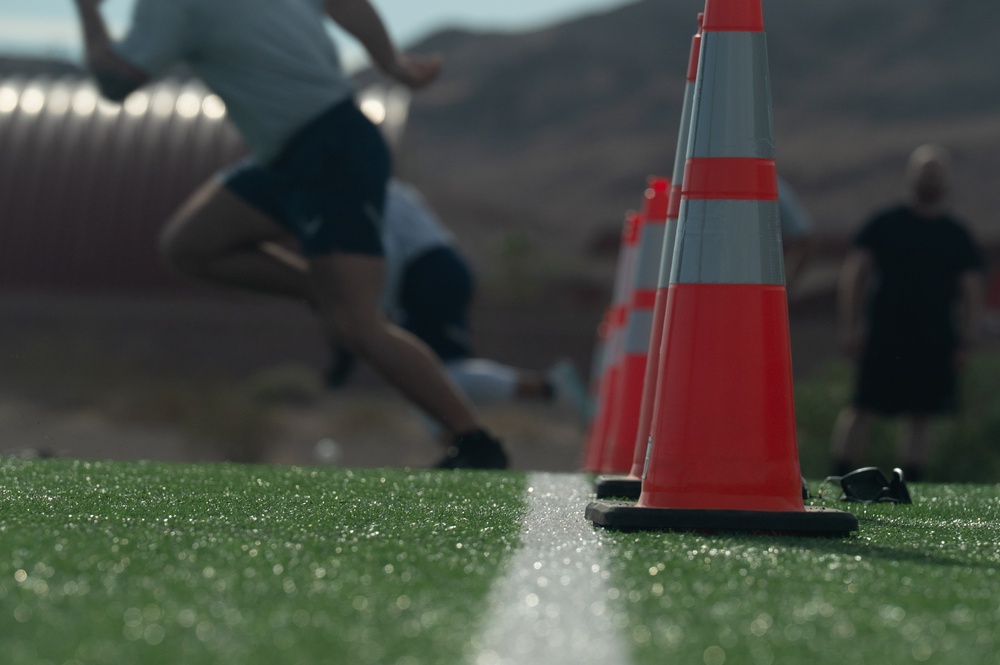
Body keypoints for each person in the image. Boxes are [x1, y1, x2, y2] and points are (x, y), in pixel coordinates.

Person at [72, 0, 508, 469]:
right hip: (290, 156)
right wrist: (392, 64)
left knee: (358, 325)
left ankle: (474, 440)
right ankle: (326, 292)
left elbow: (117, 81)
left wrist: (89, 12)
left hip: (329, 149)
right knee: (190, 246)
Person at [320, 180, 592, 427]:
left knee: (442, 371)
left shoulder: (365, 194)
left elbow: (385, 254)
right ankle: (458, 441)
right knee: (426, 371)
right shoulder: (387, 188)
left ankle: (547, 390)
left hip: (431, 276)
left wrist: (376, 309)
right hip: (435, 273)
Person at [829, 144, 985, 481]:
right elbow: (855, 274)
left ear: (945, 181)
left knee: (922, 412)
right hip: (884, 333)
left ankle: (909, 480)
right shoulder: (885, 224)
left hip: (935, 337)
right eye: (924, 173)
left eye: (936, 174)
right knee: (862, 405)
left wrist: (968, 339)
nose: (930, 180)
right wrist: (851, 325)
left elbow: (973, 290)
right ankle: (841, 473)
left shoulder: (956, 235)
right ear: (911, 177)